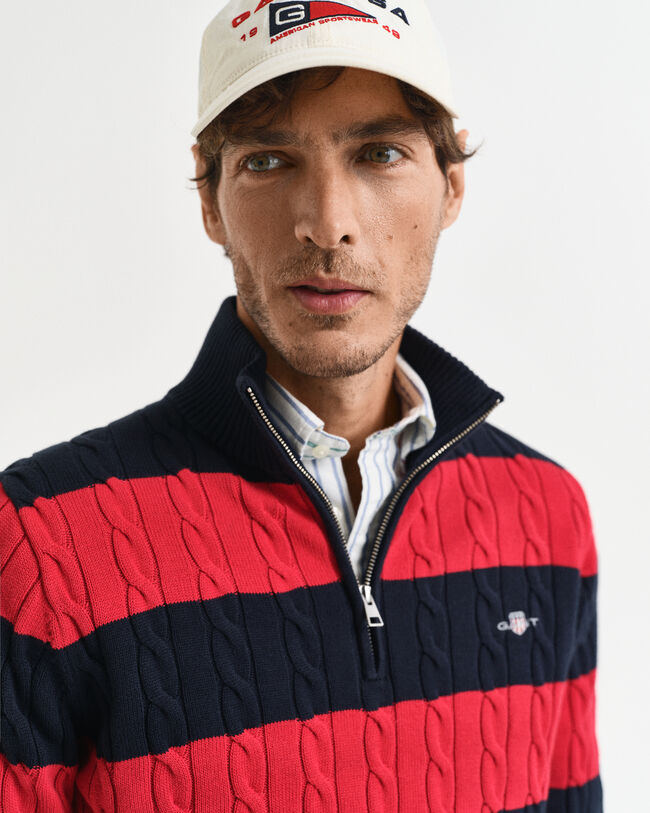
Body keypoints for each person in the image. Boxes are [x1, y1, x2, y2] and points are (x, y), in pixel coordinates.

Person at [0, 0, 602, 809]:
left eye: (379, 153)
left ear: (452, 186)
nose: (327, 223)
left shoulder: (545, 515)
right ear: (209, 198)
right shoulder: (42, 537)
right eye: (268, 160)